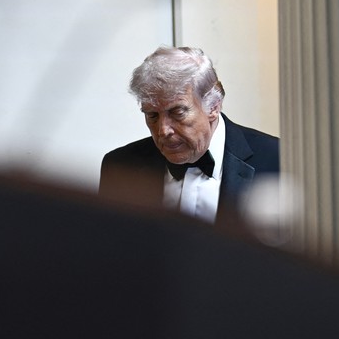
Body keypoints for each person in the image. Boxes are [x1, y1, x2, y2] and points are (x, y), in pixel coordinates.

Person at [99, 46, 279, 224]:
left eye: (178, 112)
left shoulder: (277, 159)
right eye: (152, 115)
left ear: (214, 106)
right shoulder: (120, 167)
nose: (163, 130)